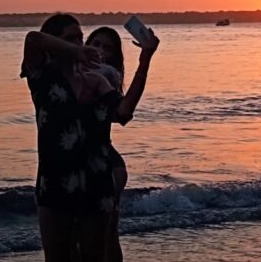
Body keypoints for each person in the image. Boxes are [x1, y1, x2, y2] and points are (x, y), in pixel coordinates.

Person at [20, 14, 120, 262]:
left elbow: (123, 112)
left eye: (80, 38)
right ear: (55, 43)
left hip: (95, 181)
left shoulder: (95, 80)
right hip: (55, 183)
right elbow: (33, 39)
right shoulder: (42, 77)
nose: (80, 44)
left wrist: (145, 59)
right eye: (70, 39)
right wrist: (75, 51)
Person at [85, 26, 159, 262]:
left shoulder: (106, 80)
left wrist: (145, 59)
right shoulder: (73, 76)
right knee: (95, 237)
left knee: (105, 236)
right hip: (85, 165)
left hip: (106, 165)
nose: (100, 50)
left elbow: (124, 112)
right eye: (96, 44)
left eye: (107, 48)